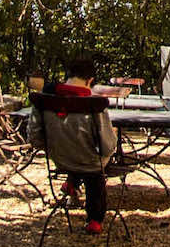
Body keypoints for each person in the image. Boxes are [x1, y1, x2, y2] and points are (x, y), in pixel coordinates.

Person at [43, 54, 118, 234]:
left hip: (60, 158)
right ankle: (95, 219)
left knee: (78, 149)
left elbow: (36, 135)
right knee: (95, 169)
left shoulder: (46, 97)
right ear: (90, 80)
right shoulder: (94, 103)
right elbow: (107, 145)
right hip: (87, 161)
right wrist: (113, 140)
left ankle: (72, 182)